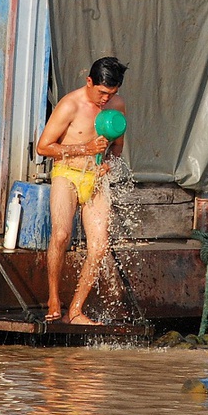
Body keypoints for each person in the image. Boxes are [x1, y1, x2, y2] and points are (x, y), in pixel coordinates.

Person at [36, 56, 128, 325]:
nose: (105, 99)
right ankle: (53, 298)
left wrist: (108, 165)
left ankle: (75, 310)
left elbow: (118, 149)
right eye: (101, 92)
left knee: (99, 247)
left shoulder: (117, 106)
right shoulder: (70, 105)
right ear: (89, 82)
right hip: (67, 174)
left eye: (111, 94)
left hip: (95, 179)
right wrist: (83, 150)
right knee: (62, 234)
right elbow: (43, 147)